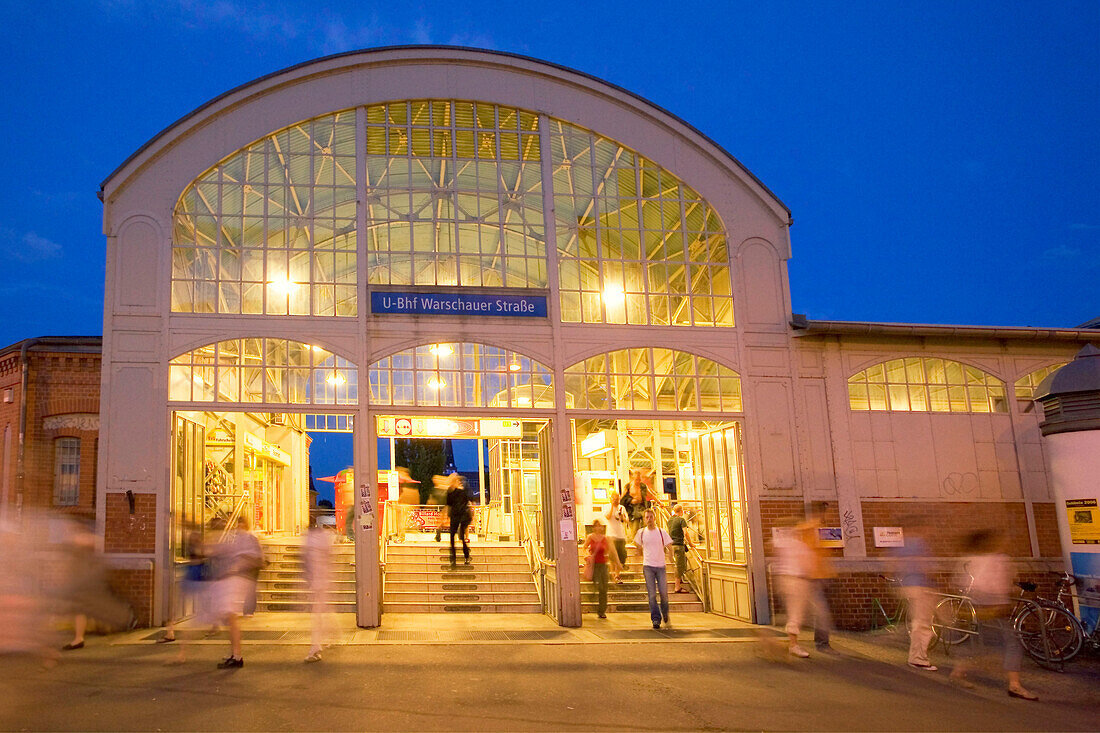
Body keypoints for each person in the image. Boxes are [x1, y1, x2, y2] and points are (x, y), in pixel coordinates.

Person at [949, 529, 1037, 700]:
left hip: (974, 605)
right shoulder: (999, 560)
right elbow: (1001, 585)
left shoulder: (967, 559)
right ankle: (1014, 685)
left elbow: (958, 582)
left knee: (973, 641)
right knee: (1012, 642)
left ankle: (958, 673)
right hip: (993, 607)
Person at [207, 516, 264, 669]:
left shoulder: (247, 538)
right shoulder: (237, 538)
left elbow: (254, 558)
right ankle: (234, 652)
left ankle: (237, 655)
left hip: (238, 579)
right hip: (235, 579)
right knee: (228, 617)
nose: (237, 526)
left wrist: (236, 567)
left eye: (240, 524)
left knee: (230, 617)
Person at [773, 515, 833, 658]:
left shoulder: (785, 544)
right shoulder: (799, 545)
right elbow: (808, 565)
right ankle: (793, 645)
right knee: (798, 614)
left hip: (788, 580)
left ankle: (790, 638)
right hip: (797, 582)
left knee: (798, 613)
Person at [157, 526, 208, 662]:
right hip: (193, 577)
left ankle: (176, 642)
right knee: (180, 608)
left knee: (180, 608)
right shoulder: (201, 551)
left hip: (192, 577)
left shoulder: (197, 551)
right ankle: (172, 635)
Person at [894, 519, 937, 671]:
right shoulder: (919, 543)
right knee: (923, 623)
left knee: (917, 622)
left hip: (908, 585)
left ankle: (916, 656)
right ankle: (918, 658)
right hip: (920, 585)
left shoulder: (902, 544)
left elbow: (894, 564)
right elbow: (924, 564)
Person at [634, 509, 673, 629]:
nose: (649, 519)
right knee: (651, 595)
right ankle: (656, 619)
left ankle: (665, 612)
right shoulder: (641, 533)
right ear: (645, 519)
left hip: (661, 566)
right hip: (648, 566)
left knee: (663, 593)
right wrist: (638, 554)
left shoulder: (661, 532)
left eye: (651, 517)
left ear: (654, 518)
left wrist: (671, 556)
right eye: (647, 517)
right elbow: (637, 545)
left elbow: (669, 545)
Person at [302, 518, 333, 663]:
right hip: (322, 581)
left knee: (317, 614)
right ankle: (328, 639)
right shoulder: (323, 540)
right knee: (321, 612)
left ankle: (315, 648)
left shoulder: (310, 543)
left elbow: (307, 564)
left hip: (317, 582)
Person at [583, 518, 621, 618]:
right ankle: (592, 597)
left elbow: (613, 551)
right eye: (596, 526)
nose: (598, 527)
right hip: (593, 565)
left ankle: (601, 611)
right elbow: (584, 547)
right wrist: (586, 555)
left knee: (603, 588)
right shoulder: (590, 537)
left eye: (599, 525)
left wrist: (618, 563)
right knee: (598, 586)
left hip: (603, 565)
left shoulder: (606, 538)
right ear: (593, 527)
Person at [445, 475, 472, 568]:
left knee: (454, 537)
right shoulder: (459, 491)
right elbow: (467, 503)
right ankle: (465, 557)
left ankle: (454, 559)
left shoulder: (452, 491)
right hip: (459, 516)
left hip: (458, 516)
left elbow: (449, 505)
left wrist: (448, 516)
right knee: (459, 537)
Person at [604, 490, 629, 583]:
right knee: (612, 557)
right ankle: (615, 575)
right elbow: (607, 516)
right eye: (615, 499)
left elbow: (627, 520)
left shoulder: (622, 508)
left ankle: (617, 574)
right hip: (611, 535)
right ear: (611, 499)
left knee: (621, 556)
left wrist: (622, 516)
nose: (617, 501)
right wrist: (611, 506)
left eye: (618, 499)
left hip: (620, 535)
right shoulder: (607, 507)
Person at [667, 504, 693, 594]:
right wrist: (691, 543)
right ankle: (677, 587)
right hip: (679, 545)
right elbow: (685, 533)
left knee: (680, 563)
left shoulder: (670, 520)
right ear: (681, 511)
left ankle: (680, 579)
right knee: (679, 565)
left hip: (671, 545)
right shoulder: (681, 520)